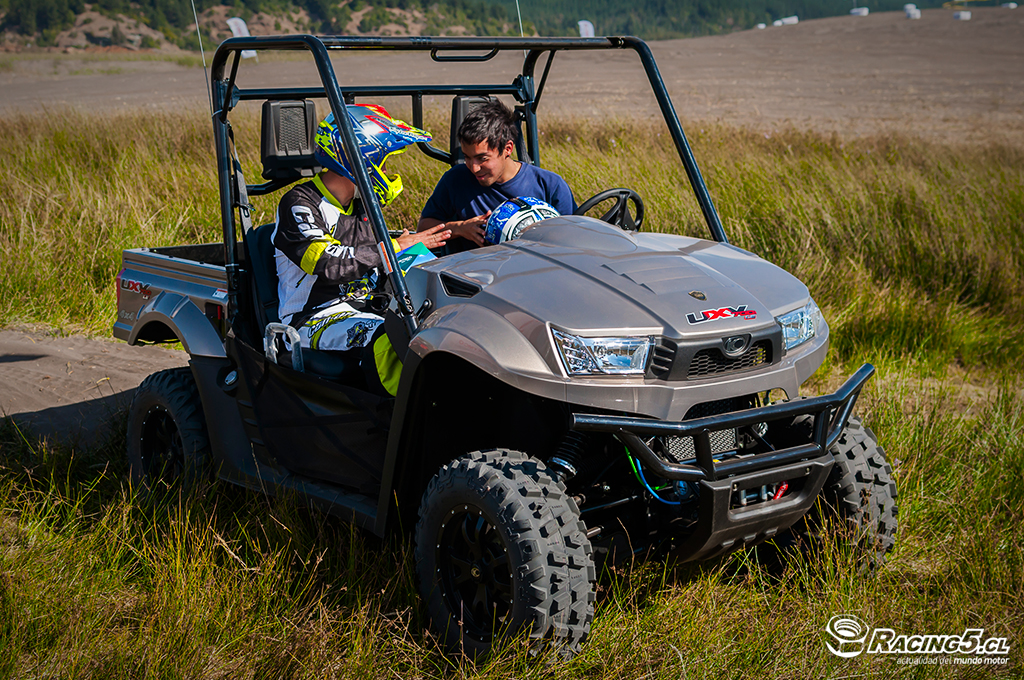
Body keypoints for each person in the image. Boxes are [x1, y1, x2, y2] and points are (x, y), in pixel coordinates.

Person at [273, 104, 450, 353]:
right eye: (383, 163)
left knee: (445, 326)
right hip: (313, 318)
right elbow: (328, 263)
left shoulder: (362, 205)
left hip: (367, 306)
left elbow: (377, 258)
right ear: (361, 161)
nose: (386, 172)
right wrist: (394, 247)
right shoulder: (300, 203)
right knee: (394, 340)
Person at [417, 99, 575, 252]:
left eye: (482, 158)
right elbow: (423, 228)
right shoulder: (455, 180)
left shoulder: (550, 186)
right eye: (467, 157)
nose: (474, 168)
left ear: (508, 148)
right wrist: (460, 228)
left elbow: (573, 241)